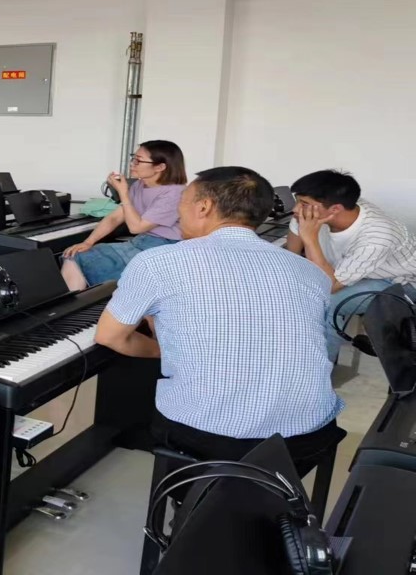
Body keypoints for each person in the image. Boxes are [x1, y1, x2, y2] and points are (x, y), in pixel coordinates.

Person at [94, 166, 343, 473]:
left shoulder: (157, 262)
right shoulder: (309, 271)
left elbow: (109, 336)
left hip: (211, 438)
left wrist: (161, 350)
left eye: (182, 203)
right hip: (307, 438)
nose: (178, 213)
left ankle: (191, 499)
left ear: (204, 207)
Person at [286, 170, 416, 359]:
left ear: (335, 209)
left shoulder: (376, 237)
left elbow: (330, 285)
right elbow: (292, 251)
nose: (296, 209)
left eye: (304, 204)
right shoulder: (324, 210)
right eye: (297, 201)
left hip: (400, 282)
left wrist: (310, 238)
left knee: (326, 305)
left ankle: (319, 368)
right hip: (353, 270)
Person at [61, 140, 188, 291]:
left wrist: (123, 192)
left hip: (162, 249)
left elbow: (136, 227)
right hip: (140, 243)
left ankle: (89, 302)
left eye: (138, 160)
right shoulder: (139, 185)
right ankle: (74, 304)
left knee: (87, 260)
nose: (132, 164)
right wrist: (88, 242)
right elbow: (115, 217)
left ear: (160, 167)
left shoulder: (175, 193)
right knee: (74, 254)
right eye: (133, 158)